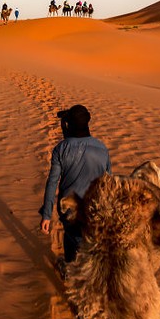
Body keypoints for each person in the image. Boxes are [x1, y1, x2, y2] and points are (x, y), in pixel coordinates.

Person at [39, 104, 111, 265]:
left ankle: (72, 271)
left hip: (69, 210)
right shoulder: (102, 148)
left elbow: (52, 182)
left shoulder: (61, 149)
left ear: (68, 124)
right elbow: (109, 183)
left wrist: (46, 215)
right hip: (96, 210)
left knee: (72, 239)